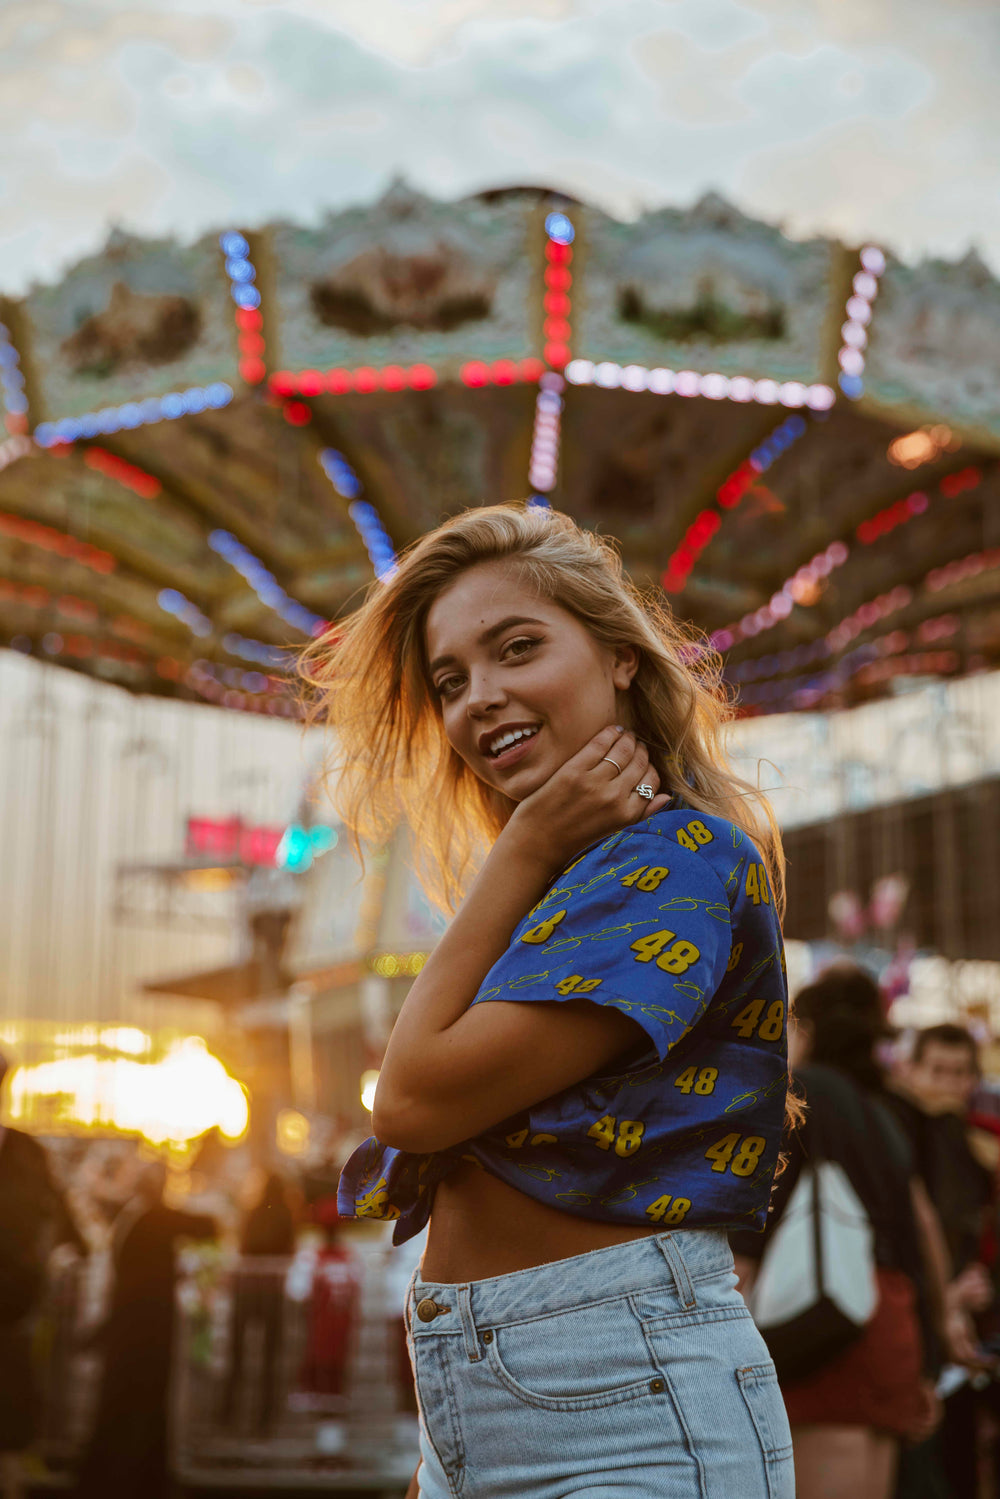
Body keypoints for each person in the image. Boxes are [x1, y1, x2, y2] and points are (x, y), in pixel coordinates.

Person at [301, 503, 795, 1498]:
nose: (480, 697)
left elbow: (409, 1098)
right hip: (488, 1388)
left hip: (623, 1393)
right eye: (450, 681)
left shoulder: (678, 860)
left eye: (516, 647)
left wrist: (520, 848)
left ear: (619, 655)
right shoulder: (571, 887)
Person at [732, 967, 949, 1499]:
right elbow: (925, 1232)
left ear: (807, 1028)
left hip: (821, 1327)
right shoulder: (884, 1113)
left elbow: (757, 1235)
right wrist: (933, 1352)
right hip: (888, 1319)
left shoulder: (805, 1097)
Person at [886, 1024, 999, 1499]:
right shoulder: (896, 1131)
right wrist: (944, 1296)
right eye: (937, 1071)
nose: (947, 1084)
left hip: (973, 1325)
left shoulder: (981, 1143)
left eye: (958, 1073)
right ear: (910, 1070)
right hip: (919, 1322)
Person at [75, 1160, 216, 1499]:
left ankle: (115, 1477)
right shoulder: (153, 1217)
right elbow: (208, 1226)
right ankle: (135, 1480)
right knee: (139, 1410)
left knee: (124, 1408)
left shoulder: (139, 1218)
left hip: (135, 1332)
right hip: (145, 1335)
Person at [0, 1053, 87, 1499]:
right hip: (18, 1311)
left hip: (14, 1311)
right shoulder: (27, 1153)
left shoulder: (26, 1152)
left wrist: (71, 1251)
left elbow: (62, 1217)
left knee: (12, 1429)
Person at [221, 1171, 296, 1435]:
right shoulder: (287, 1214)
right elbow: (290, 1250)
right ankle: (265, 1418)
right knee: (270, 1357)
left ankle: (228, 1414)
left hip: (246, 1290)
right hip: (272, 1291)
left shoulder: (251, 1212)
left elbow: (242, 1246)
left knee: (238, 1354)